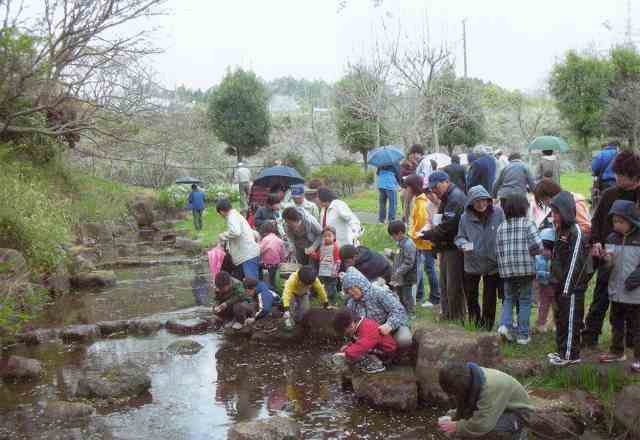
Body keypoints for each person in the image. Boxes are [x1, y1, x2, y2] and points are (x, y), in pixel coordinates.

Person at [583, 151, 640, 348]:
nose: (617, 177)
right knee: (601, 294)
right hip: (609, 254)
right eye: (616, 173)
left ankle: (631, 338)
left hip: (634, 257)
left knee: (633, 300)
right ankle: (590, 334)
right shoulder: (609, 194)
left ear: (634, 176)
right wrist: (596, 242)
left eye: (621, 174)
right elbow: (596, 221)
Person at [547, 191, 591, 366]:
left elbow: (574, 262)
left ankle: (571, 355)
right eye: (552, 212)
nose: (553, 216)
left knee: (571, 320)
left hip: (572, 288)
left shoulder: (575, 232)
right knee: (560, 319)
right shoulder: (560, 230)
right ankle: (561, 350)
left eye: (556, 212)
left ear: (565, 211)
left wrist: (567, 289)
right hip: (559, 285)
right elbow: (556, 258)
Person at [437, 362, 534, 439]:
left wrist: (457, 427)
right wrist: (454, 417)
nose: (453, 397)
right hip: (498, 407)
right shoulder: (468, 376)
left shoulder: (489, 388)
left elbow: (482, 425)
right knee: (465, 424)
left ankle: (518, 434)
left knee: (486, 431)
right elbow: (465, 404)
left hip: (519, 413)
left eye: (455, 394)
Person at [455, 185, 505, 331]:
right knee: (471, 294)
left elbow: (505, 230)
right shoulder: (464, 217)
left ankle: (487, 324)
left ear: (488, 200)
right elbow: (459, 237)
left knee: (490, 296)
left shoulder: (498, 212)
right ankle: (475, 321)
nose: (481, 204)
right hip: (472, 262)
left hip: (493, 262)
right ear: (471, 202)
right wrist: (463, 244)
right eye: (477, 201)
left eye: (484, 200)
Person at [599, 200, 640, 372]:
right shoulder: (611, 238)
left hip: (635, 293)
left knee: (637, 327)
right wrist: (606, 260)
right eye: (614, 221)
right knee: (616, 322)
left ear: (631, 220)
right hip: (616, 291)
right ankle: (617, 351)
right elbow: (608, 265)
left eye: (621, 221)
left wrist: (633, 280)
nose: (617, 225)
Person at [420, 171, 467, 322]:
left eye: (437, 186)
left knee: (453, 283)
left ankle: (456, 316)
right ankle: (447, 313)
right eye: (432, 188)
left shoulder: (455, 198)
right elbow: (439, 221)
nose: (434, 190)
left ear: (446, 182)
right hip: (445, 246)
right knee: (445, 282)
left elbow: (448, 227)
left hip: (455, 246)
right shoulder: (446, 197)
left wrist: (429, 234)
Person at [496, 194, 542, 345]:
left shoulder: (501, 227)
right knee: (525, 300)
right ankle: (523, 335)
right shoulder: (528, 224)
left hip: (507, 270)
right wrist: (533, 252)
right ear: (524, 208)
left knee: (508, 298)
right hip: (525, 269)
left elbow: (498, 250)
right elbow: (538, 245)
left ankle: (505, 326)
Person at [342, 268, 412, 349]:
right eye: (347, 290)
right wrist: (349, 344)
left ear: (360, 285)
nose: (350, 292)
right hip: (371, 334)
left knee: (404, 339)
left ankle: (401, 354)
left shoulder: (379, 293)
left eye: (352, 288)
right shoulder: (352, 303)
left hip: (393, 328)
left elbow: (399, 310)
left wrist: (389, 325)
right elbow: (351, 324)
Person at [405, 175, 440, 308]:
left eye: (407, 187)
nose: (405, 190)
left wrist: (412, 234)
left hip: (425, 242)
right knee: (419, 268)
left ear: (413, 187)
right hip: (419, 241)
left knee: (429, 269)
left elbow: (423, 224)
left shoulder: (422, 202)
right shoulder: (417, 200)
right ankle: (419, 295)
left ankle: (435, 297)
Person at [332, 309, 397, 374]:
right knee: (354, 352)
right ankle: (373, 361)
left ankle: (377, 365)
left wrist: (346, 354)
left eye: (347, 333)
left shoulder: (368, 327)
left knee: (358, 354)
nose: (347, 334)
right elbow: (359, 340)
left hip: (386, 352)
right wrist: (348, 346)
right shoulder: (361, 326)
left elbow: (363, 345)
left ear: (351, 325)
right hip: (377, 348)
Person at [216, 199, 261, 280]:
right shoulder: (236, 215)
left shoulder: (231, 216)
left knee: (252, 282)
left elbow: (236, 232)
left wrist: (223, 235)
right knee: (245, 280)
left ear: (221, 211)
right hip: (249, 254)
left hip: (247, 256)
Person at [388, 220, 418, 315]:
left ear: (400, 233)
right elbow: (399, 258)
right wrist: (391, 255)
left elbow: (409, 263)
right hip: (400, 276)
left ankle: (410, 313)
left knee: (407, 296)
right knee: (400, 295)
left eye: (393, 235)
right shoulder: (400, 243)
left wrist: (398, 271)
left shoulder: (408, 245)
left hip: (407, 277)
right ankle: (403, 312)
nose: (392, 238)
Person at [310, 226, 341, 305]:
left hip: (331, 272)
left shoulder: (335, 247)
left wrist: (336, 271)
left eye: (329, 236)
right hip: (323, 270)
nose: (327, 238)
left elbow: (337, 260)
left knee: (332, 286)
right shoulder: (322, 246)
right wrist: (312, 254)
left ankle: (333, 301)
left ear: (334, 237)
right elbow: (318, 256)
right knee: (324, 284)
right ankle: (324, 298)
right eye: (325, 236)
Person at [534, 228, 556, 333]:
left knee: (556, 306)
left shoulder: (556, 260)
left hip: (555, 287)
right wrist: (545, 274)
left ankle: (556, 323)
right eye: (544, 249)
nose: (546, 252)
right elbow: (535, 272)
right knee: (543, 306)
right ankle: (541, 324)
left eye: (549, 249)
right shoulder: (538, 259)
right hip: (543, 287)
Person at [258, 222, 285, 290]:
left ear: (264, 232)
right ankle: (273, 288)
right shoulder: (279, 240)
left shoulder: (265, 239)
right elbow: (282, 253)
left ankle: (260, 281)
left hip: (265, 263)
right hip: (275, 264)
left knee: (258, 266)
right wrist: (282, 261)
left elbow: (260, 250)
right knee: (272, 278)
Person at [399, 146, 420, 222]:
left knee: (411, 203)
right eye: (412, 154)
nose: (413, 156)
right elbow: (401, 174)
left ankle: (409, 219)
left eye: (414, 155)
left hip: (414, 186)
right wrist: (412, 173)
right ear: (409, 155)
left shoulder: (416, 164)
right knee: (403, 198)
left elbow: (418, 173)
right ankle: (405, 218)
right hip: (405, 185)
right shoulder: (404, 163)